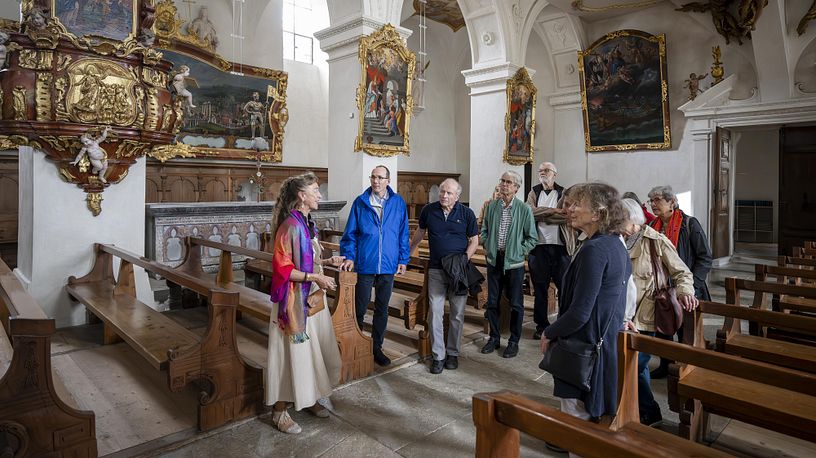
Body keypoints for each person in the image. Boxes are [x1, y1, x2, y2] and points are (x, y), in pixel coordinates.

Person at [540, 183, 630, 431]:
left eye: (578, 204)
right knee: (586, 422)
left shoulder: (595, 249)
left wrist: (549, 332)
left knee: (576, 425)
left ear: (599, 213)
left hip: (584, 347)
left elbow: (580, 313)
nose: (569, 209)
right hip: (601, 342)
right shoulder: (614, 243)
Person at [266, 172, 345, 434]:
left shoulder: (306, 222)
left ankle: (307, 396)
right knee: (291, 355)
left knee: (312, 353)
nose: (320, 195)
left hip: (310, 298)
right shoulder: (290, 226)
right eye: (315, 190)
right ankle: (279, 411)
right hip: (292, 304)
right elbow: (283, 270)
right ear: (302, 196)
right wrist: (316, 277)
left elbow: (307, 259)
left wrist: (326, 262)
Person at [621, 198, 698, 427]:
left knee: (636, 364)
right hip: (622, 314)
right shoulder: (617, 239)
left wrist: (685, 292)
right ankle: (635, 409)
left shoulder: (656, 241)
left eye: (619, 217)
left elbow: (683, 272)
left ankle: (649, 411)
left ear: (633, 220)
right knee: (632, 365)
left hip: (646, 313)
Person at [340, 165, 410, 367]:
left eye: (380, 177)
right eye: (373, 177)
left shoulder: (398, 203)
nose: (376, 181)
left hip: (388, 265)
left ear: (388, 180)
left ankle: (376, 347)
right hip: (365, 264)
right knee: (359, 308)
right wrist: (349, 256)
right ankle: (357, 344)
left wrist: (403, 260)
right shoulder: (361, 202)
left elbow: (402, 234)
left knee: (382, 308)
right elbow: (350, 235)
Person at [409, 179, 479, 374]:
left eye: (448, 193)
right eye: (442, 192)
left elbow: (474, 240)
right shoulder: (429, 211)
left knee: (457, 313)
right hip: (436, 269)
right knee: (435, 312)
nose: (444, 196)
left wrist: (464, 259)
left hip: (459, 271)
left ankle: (453, 353)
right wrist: (409, 251)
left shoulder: (467, 213)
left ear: (457, 196)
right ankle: (438, 356)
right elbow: (420, 232)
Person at [647, 185, 712, 379]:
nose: (653, 204)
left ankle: (686, 367)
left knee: (686, 331)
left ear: (671, 202)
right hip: (663, 288)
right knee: (663, 328)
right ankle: (666, 364)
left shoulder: (689, 224)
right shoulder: (652, 227)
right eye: (651, 200)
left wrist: (692, 287)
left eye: (657, 200)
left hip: (687, 287)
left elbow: (705, 257)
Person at [479, 171, 537, 358]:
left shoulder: (524, 209)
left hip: (514, 264)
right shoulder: (492, 206)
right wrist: (487, 244)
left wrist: (519, 251)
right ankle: (494, 338)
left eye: (508, 182)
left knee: (516, 304)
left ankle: (513, 341)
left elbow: (532, 238)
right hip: (494, 260)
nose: (504, 184)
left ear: (516, 187)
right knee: (493, 301)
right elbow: (485, 230)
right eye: (502, 181)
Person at [525, 162, 569, 340]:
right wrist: (552, 211)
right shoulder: (533, 191)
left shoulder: (564, 192)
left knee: (564, 288)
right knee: (540, 289)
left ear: (555, 174)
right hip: (538, 247)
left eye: (547, 171)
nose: (543, 173)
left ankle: (563, 324)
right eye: (540, 171)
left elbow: (565, 215)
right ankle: (541, 325)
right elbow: (529, 212)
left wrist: (546, 216)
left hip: (560, 247)